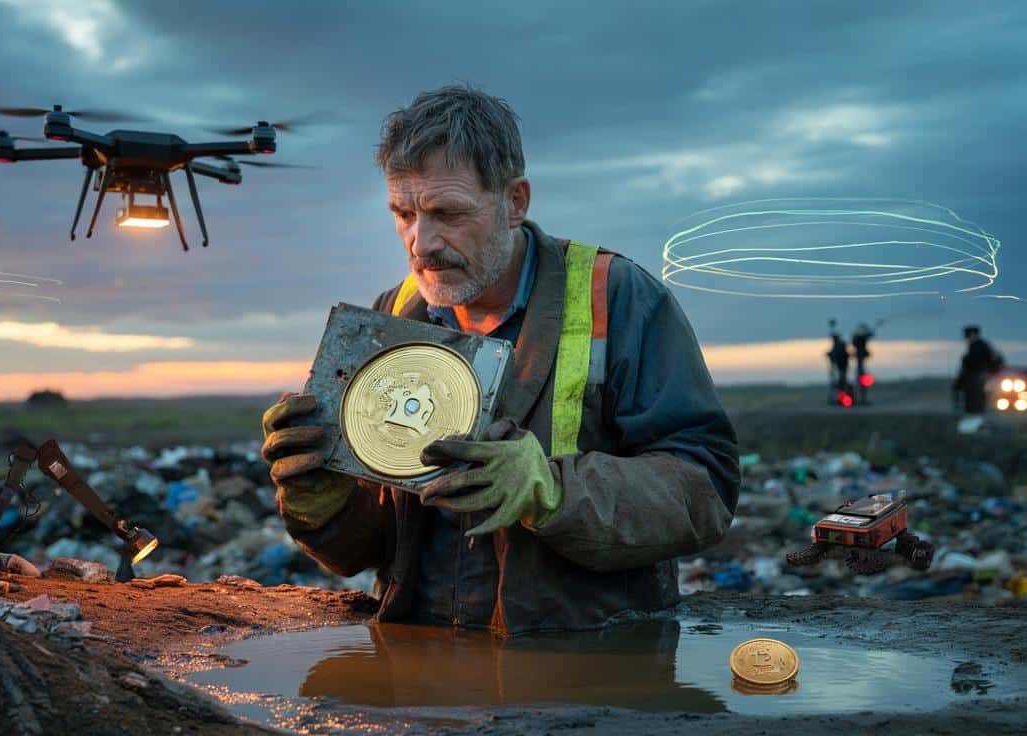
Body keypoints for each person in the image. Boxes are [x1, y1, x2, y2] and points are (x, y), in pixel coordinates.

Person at [260, 85, 739, 635]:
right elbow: (364, 550)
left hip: (584, 666)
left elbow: (706, 490)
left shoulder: (616, 297)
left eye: (447, 213)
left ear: (515, 201)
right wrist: (321, 503)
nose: (421, 243)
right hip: (424, 673)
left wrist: (553, 492)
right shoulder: (392, 317)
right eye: (403, 213)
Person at [953, 325, 1000, 430]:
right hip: (979, 377)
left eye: (968, 335)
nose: (967, 338)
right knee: (976, 402)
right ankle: (976, 425)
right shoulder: (982, 346)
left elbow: (972, 364)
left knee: (975, 402)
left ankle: (974, 426)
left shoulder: (978, 346)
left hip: (976, 377)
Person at [826, 319, 850, 402]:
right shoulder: (840, 347)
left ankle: (841, 398)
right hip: (840, 368)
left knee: (841, 382)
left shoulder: (839, 348)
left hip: (841, 368)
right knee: (839, 381)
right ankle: (838, 398)